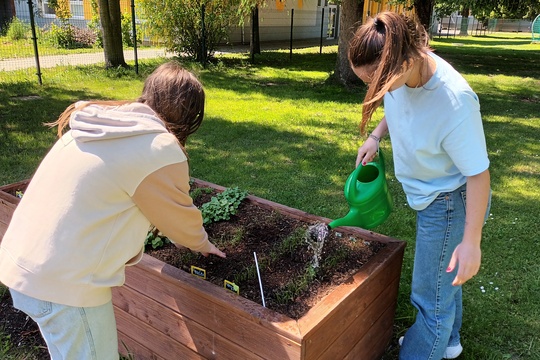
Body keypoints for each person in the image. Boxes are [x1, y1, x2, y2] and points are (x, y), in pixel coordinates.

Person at [0, 61, 226, 360]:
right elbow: (180, 221)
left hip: (23, 262)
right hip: (64, 285)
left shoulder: (101, 126)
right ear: (189, 114)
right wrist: (203, 244)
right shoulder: (157, 147)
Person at [348, 12, 491, 360]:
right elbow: (398, 105)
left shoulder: (454, 102)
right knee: (445, 279)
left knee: (430, 302)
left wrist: (471, 242)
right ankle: (451, 343)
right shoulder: (403, 66)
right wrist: (376, 135)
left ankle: (428, 343)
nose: (375, 91)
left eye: (379, 84)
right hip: (432, 196)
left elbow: (478, 175)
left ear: (405, 60)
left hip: (449, 203)